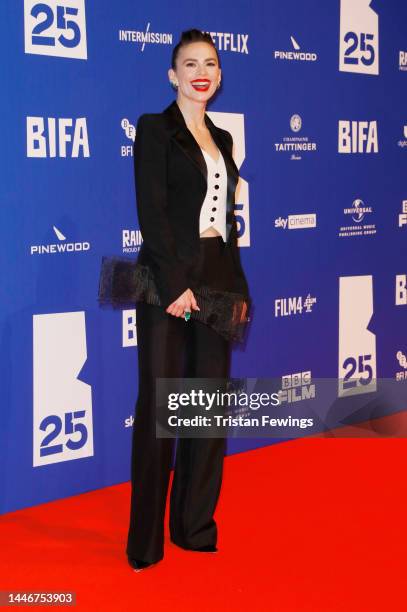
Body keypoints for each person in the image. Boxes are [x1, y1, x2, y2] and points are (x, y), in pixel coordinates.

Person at [125, 28, 251, 572]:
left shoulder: (223, 139)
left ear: (219, 77)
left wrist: (239, 287)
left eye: (211, 63)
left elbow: (226, 226)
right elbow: (151, 213)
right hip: (167, 281)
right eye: (190, 63)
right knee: (160, 410)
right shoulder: (155, 130)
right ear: (173, 75)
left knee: (206, 410)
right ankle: (146, 543)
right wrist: (176, 283)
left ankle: (194, 526)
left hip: (219, 276)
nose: (202, 71)